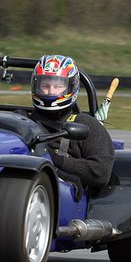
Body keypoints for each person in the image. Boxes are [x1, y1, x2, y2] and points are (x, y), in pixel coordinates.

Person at [28, 54, 115, 192]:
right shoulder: (23, 121)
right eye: (45, 85)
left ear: (71, 87)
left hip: (63, 193)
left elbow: (101, 173)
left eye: (58, 86)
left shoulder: (87, 124)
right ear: (35, 85)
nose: (51, 91)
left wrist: (55, 159)